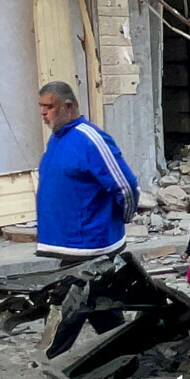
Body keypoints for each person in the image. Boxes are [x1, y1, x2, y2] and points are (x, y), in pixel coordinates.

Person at [34, 81, 139, 262]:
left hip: (91, 246)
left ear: (68, 107)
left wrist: (123, 217)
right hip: (64, 243)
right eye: (41, 106)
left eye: (49, 107)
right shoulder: (57, 139)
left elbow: (126, 186)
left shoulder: (90, 139)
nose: (43, 112)